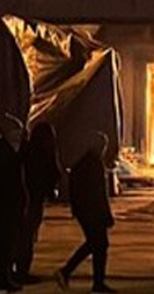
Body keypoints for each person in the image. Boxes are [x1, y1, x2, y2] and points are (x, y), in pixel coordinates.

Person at [56, 132, 116, 294]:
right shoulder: (93, 165)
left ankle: (95, 281)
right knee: (98, 244)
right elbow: (98, 194)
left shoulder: (82, 164)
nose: (104, 149)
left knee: (96, 244)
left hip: (86, 212)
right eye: (103, 146)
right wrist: (106, 215)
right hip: (93, 212)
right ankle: (69, 272)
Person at [14, 122, 61, 284]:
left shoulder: (26, 152)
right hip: (34, 200)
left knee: (22, 236)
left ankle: (15, 270)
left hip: (23, 200)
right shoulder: (45, 154)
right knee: (28, 237)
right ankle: (22, 271)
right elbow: (53, 176)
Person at [0, 114, 26, 293]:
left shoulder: (12, 152)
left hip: (11, 207)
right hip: (6, 208)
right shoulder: (6, 154)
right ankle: (4, 278)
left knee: (9, 245)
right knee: (5, 245)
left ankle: (6, 276)